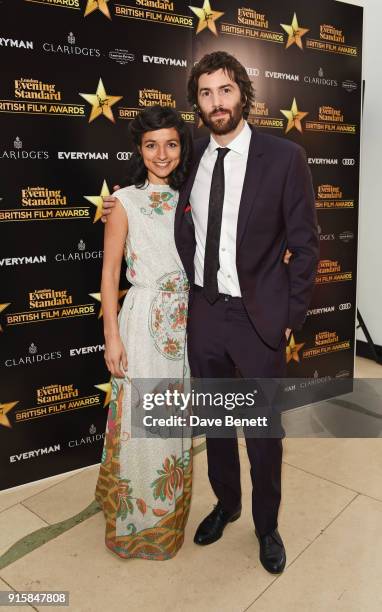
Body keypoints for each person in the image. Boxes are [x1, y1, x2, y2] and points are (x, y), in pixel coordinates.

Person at [102, 51, 319, 574]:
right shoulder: (190, 155)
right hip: (201, 315)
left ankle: (266, 526)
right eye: (205, 93)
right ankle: (227, 504)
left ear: (242, 92)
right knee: (218, 425)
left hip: (259, 318)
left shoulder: (285, 157)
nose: (216, 102)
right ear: (196, 102)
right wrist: (116, 206)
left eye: (225, 90)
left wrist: (289, 316)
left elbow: (307, 246)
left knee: (264, 434)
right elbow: (148, 194)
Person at [95, 105, 193, 560]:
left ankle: (169, 516)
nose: (161, 154)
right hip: (141, 320)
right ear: (139, 148)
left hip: (186, 324)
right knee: (140, 424)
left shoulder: (192, 197)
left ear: (181, 147)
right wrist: (111, 336)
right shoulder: (125, 202)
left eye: (170, 144)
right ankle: (136, 524)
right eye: (151, 145)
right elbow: (110, 273)